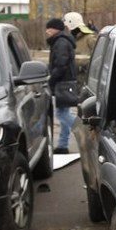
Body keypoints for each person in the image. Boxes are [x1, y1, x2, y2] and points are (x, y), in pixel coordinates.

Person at [45, 17, 78, 154]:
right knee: (64, 112)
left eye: (48, 28)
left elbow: (60, 64)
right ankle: (63, 145)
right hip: (65, 81)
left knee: (61, 114)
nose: (46, 31)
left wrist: (51, 80)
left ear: (53, 29)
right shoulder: (61, 41)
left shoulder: (60, 42)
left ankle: (85, 133)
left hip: (63, 82)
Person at [62, 11, 96, 77]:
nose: (67, 29)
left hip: (86, 77)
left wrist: (82, 64)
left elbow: (98, 58)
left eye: (67, 26)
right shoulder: (70, 39)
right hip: (73, 76)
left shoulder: (90, 38)